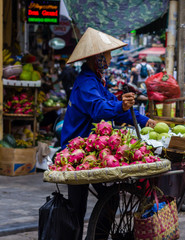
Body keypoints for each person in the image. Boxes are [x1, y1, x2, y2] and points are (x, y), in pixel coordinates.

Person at [60, 27, 156, 239]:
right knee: (77, 207)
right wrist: (121, 107)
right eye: (108, 54)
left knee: (109, 199)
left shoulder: (97, 81)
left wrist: (144, 120)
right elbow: (99, 110)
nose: (111, 58)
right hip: (76, 150)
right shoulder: (86, 83)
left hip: (92, 149)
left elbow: (113, 105)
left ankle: (96, 237)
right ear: (98, 58)